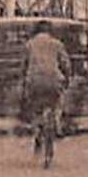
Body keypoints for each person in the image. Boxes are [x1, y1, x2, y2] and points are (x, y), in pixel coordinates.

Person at [22, 20, 72, 168]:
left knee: (36, 109)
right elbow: (66, 65)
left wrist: (25, 82)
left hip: (35, 84)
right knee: (56, 105)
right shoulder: (57, 44)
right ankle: (56, 124)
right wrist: (67, 79)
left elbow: (24, 66)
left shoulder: (29, 45)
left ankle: (37, 128)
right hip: (53, 83)